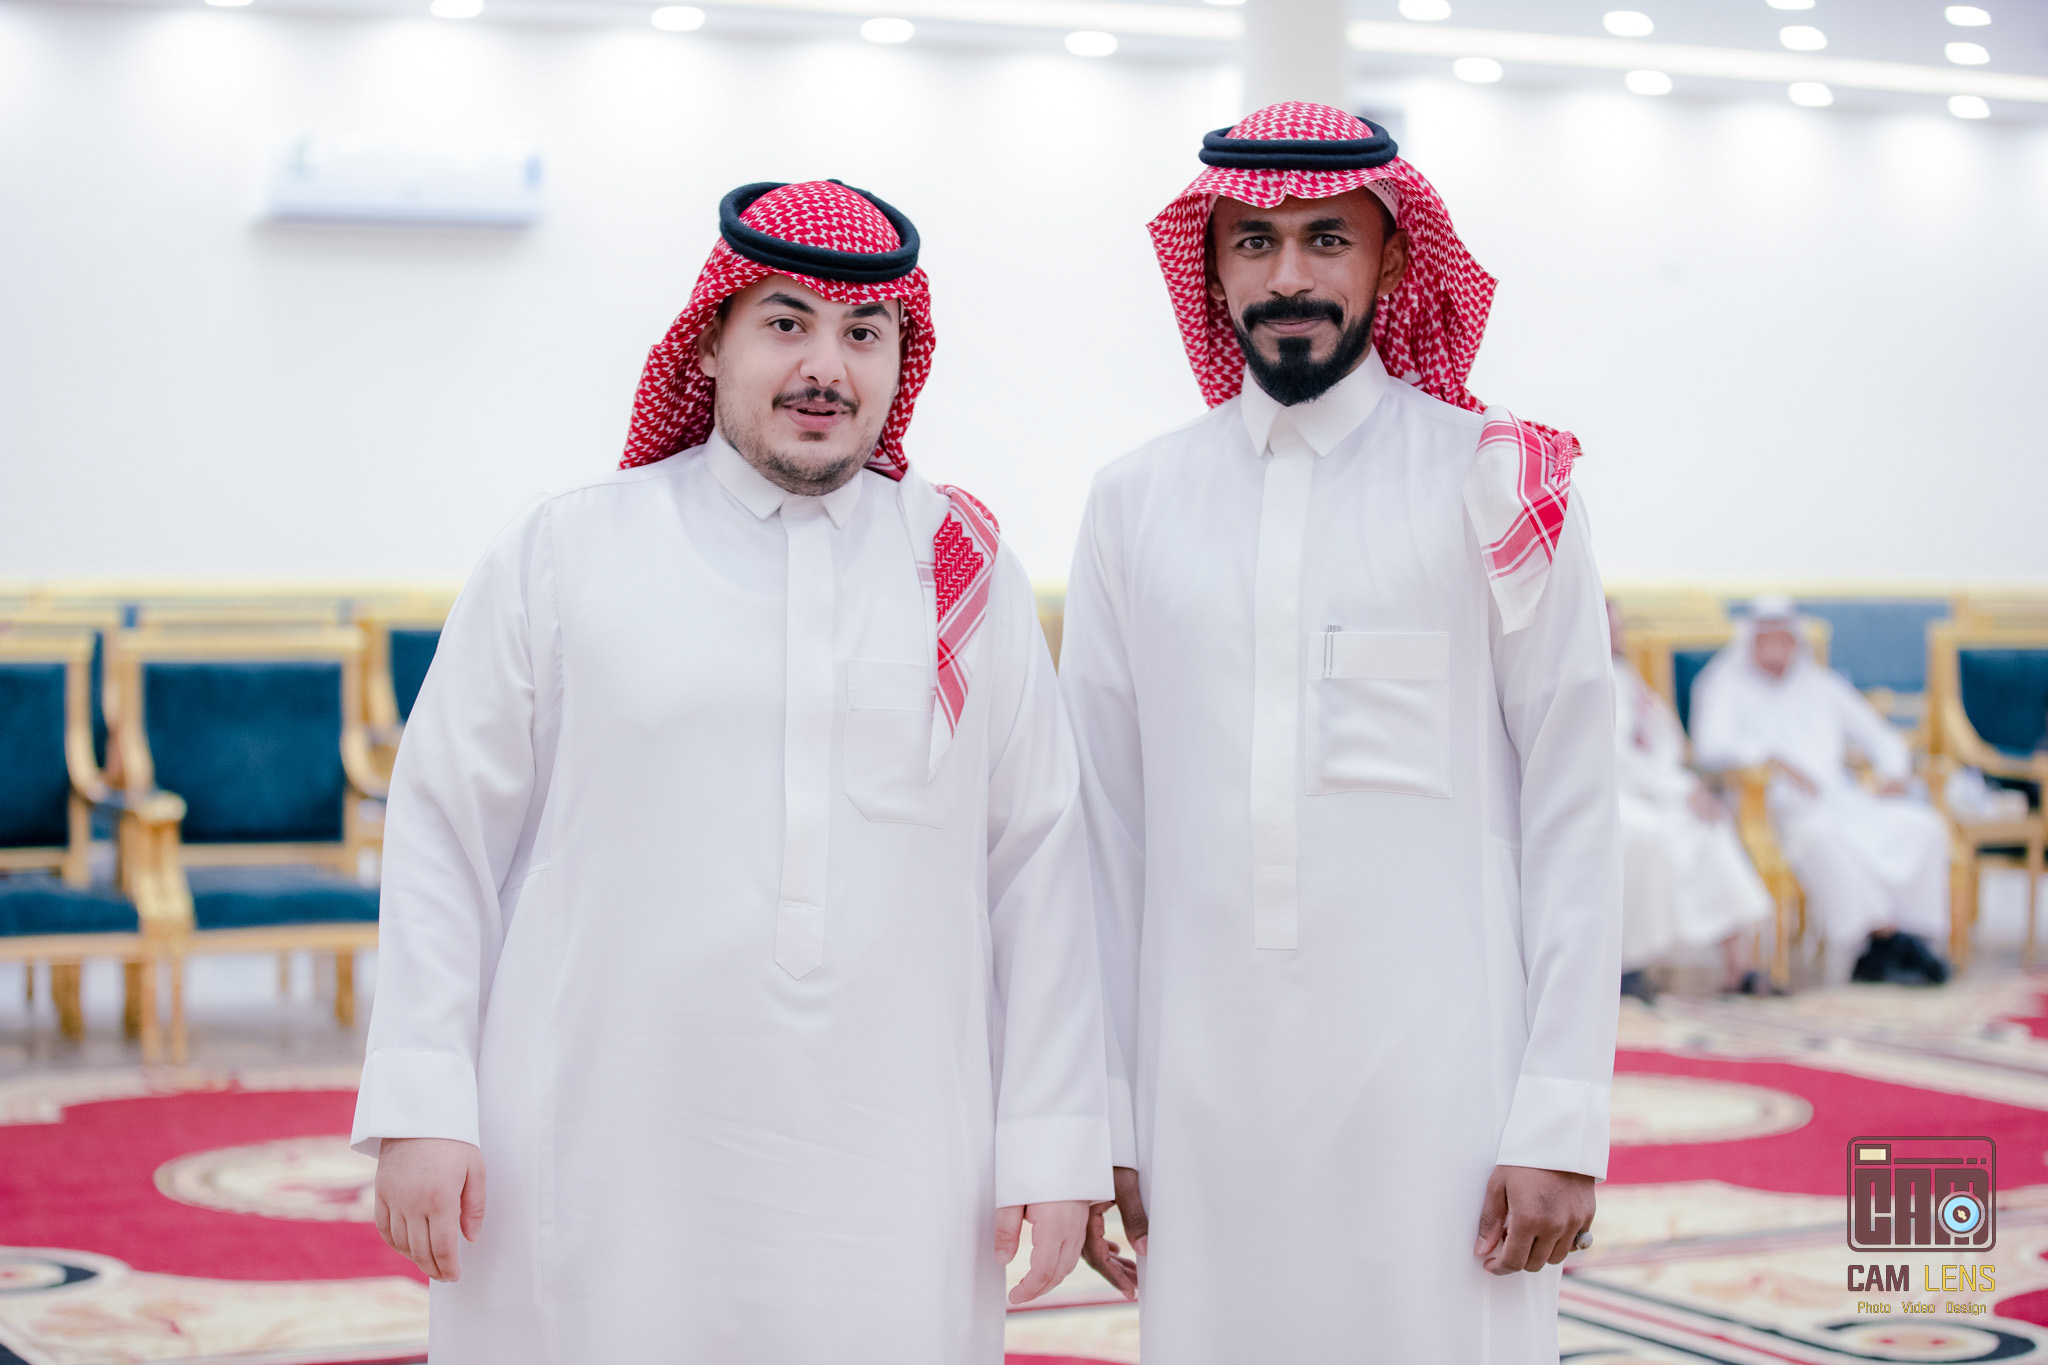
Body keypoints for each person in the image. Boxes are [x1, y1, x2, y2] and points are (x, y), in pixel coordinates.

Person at [352, 180, 1112, 1364]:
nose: (825, 367)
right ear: (709, 342)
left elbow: (1039, 868)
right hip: (601, 1133)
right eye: (785, 323)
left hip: (897, 1155)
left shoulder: (959, 567)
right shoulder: (567, 548)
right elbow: (444, 832)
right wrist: (421, 1104)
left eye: (862, 333)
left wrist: (1054, 1142)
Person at [1062, 103, 1620, 1363]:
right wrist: (1101, 1111)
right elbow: (1101, 828)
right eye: (1252, 243)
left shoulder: (1497, 483)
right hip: (1199, 1091)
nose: (1288, 277)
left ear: (1391, 259)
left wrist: (1559, 1115)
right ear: (1210, 268)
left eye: (1326, 239)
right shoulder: (1134, 502)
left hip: (1443, 1088)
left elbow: (1574, 809)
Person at [1690, 595, 1949, 985]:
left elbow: (1880, 736)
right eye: (1766, 640)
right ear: (1752, 642)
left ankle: (1913, 937)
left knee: (1923, 826)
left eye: (1784, 640)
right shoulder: (1725, 687)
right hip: (1776, 813)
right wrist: (1770, 758)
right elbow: (1710, 748)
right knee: (1820, 837)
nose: (1776, 650)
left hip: (1839, 799)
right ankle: (1882, 941)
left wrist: (1893, 772)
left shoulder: (1822, 685)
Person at [1607, 600, 1774, 1001]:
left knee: (1709, 824)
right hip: (1611, 791)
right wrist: (1680, 790)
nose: (1618, 633)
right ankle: (1630, 965)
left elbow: (1664, 742)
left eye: (1619, 624)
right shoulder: (1585, 675)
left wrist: (1684, 788)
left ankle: (1739, 966)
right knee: (1647, 837)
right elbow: (1612, 755)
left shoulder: (1627, 677)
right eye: (1610, 624)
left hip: (1655, 789)